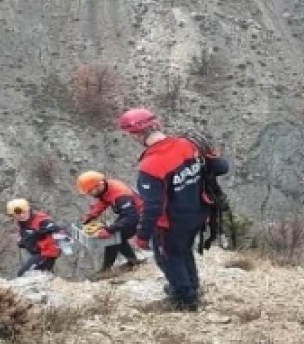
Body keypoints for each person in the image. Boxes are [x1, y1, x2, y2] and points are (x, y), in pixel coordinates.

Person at [118, 107, 230, 311]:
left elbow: (152, 207)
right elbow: (221, 167)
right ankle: (191, 287)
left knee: (168, 257)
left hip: (172, 223)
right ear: (156, 124)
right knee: (184, 251)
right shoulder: (188, 144)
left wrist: (142, 235)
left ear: (137, 135)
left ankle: (185, 299)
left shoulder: (151, 165)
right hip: (198, 213)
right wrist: (212, 153)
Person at [76, 171, 144, 279]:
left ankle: (106, 269)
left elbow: (131, 217)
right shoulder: (106, 187)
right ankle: (133, 261)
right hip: (131, 213)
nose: (89, 194)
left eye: (89, 191)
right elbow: (104, 201)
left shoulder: (120, 195)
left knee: (113, 237)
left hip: (141, 215)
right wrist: (92, 215)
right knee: (118, 236)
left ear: (97, 186)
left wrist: (109, 230)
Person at [7, 198, 63, 277]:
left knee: (23, 274)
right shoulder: (21, 223)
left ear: (29, 210)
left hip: (46, 253)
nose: (22, 216)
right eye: (18, 215)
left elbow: (53, 226)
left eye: (24, 212)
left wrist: (46, 229)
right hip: (37, 253)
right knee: (41, 274)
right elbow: (25, 233)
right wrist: (22, 241)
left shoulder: (40, 220)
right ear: (13, 215)